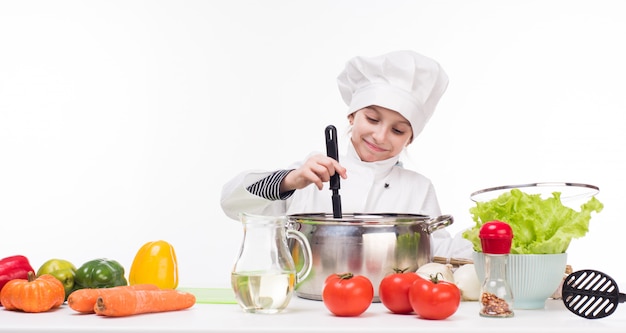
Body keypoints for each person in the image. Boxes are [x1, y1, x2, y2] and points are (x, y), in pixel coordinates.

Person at [220, 50, 472, 259]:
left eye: (397, 130)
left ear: (411, 138)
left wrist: (492, 233)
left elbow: (436, 251)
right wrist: (291, 180)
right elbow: (232, 203)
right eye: (372, 119)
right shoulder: (310, 175)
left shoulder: (418, 189)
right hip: (307, 306)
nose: (381, 136)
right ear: (352, 115)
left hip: (386, 311)